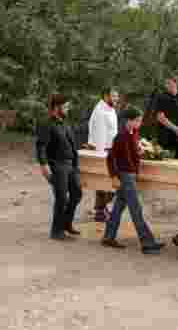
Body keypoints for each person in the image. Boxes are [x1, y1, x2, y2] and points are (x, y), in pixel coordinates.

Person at [102, 107, 164, 254]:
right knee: (136, 209)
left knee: (118, 207)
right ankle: (147, 242)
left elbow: (133, 152)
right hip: (125, 176)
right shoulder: (121, 136)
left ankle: (108, 237)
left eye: (140, 120)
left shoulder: (134, 133)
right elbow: (110, 158)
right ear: (128, 121)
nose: (139, 123)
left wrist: (140, 152)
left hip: (131, 175)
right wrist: (113, 176)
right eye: (137, 120)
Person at [36, 93, 82, 241]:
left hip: (70, 165)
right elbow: (41, 146)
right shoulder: (46, 123)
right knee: (61, 198)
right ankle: (56, 231)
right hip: (57, 165)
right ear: (57, 107)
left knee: (76, 194)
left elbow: (70, 143)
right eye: (66, 106)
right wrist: (44, 165)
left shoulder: (64, 122)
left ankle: (66, 223)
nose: (68, 109)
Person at [87, 88, 120, 222]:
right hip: (103, 151)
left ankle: (101, 209)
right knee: (107, 184)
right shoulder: (100, 112)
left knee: (105, 184)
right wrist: (101, 157)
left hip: (111, 149)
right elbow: (100, 135)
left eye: (117, 96)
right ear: (106, 97)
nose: (117, 99)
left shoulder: (109, 108)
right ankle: (100, 210)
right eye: (114, 96)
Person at [150, 75, 178, 160]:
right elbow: (160, 117)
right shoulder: (161, 97)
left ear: (176, 83)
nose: (166, 85)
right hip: (166, 138)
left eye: (169, 83)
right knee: (165, 162)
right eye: (166, 83)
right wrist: (175, 128)